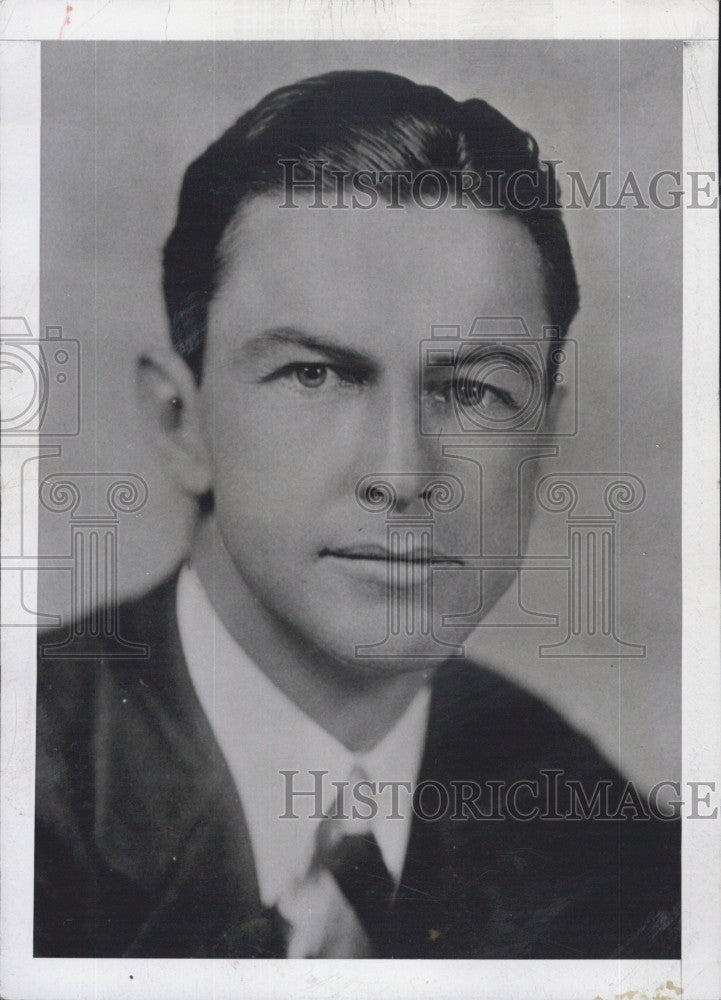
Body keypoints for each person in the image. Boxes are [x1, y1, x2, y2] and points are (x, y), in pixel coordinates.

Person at [34, 69, 679, 959]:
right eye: (316, 374)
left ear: (542, 438)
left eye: (472, 390)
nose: (400, 472)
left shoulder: (615, 851)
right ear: (180, 421)